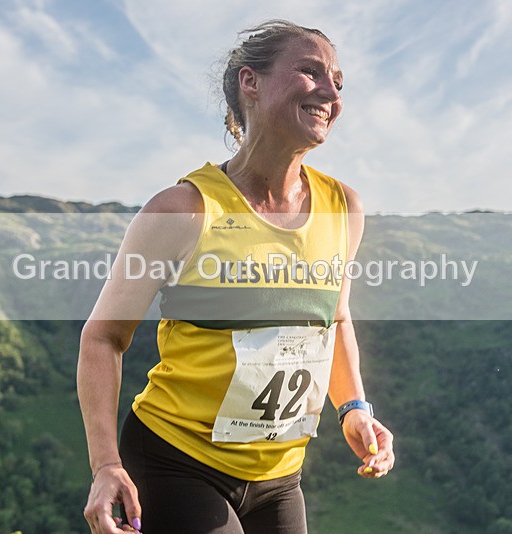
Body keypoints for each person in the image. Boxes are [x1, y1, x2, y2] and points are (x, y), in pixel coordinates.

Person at [78, 19, 395, 534]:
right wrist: (105, 465)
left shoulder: (344, 207)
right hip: (176, 460)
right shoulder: (183, 209)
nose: (331, 92)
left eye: (338, 81)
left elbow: (334, 319)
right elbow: (103, 338)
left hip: (280, 475)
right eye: (310, 71)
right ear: (251, 82)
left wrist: (354, 407)